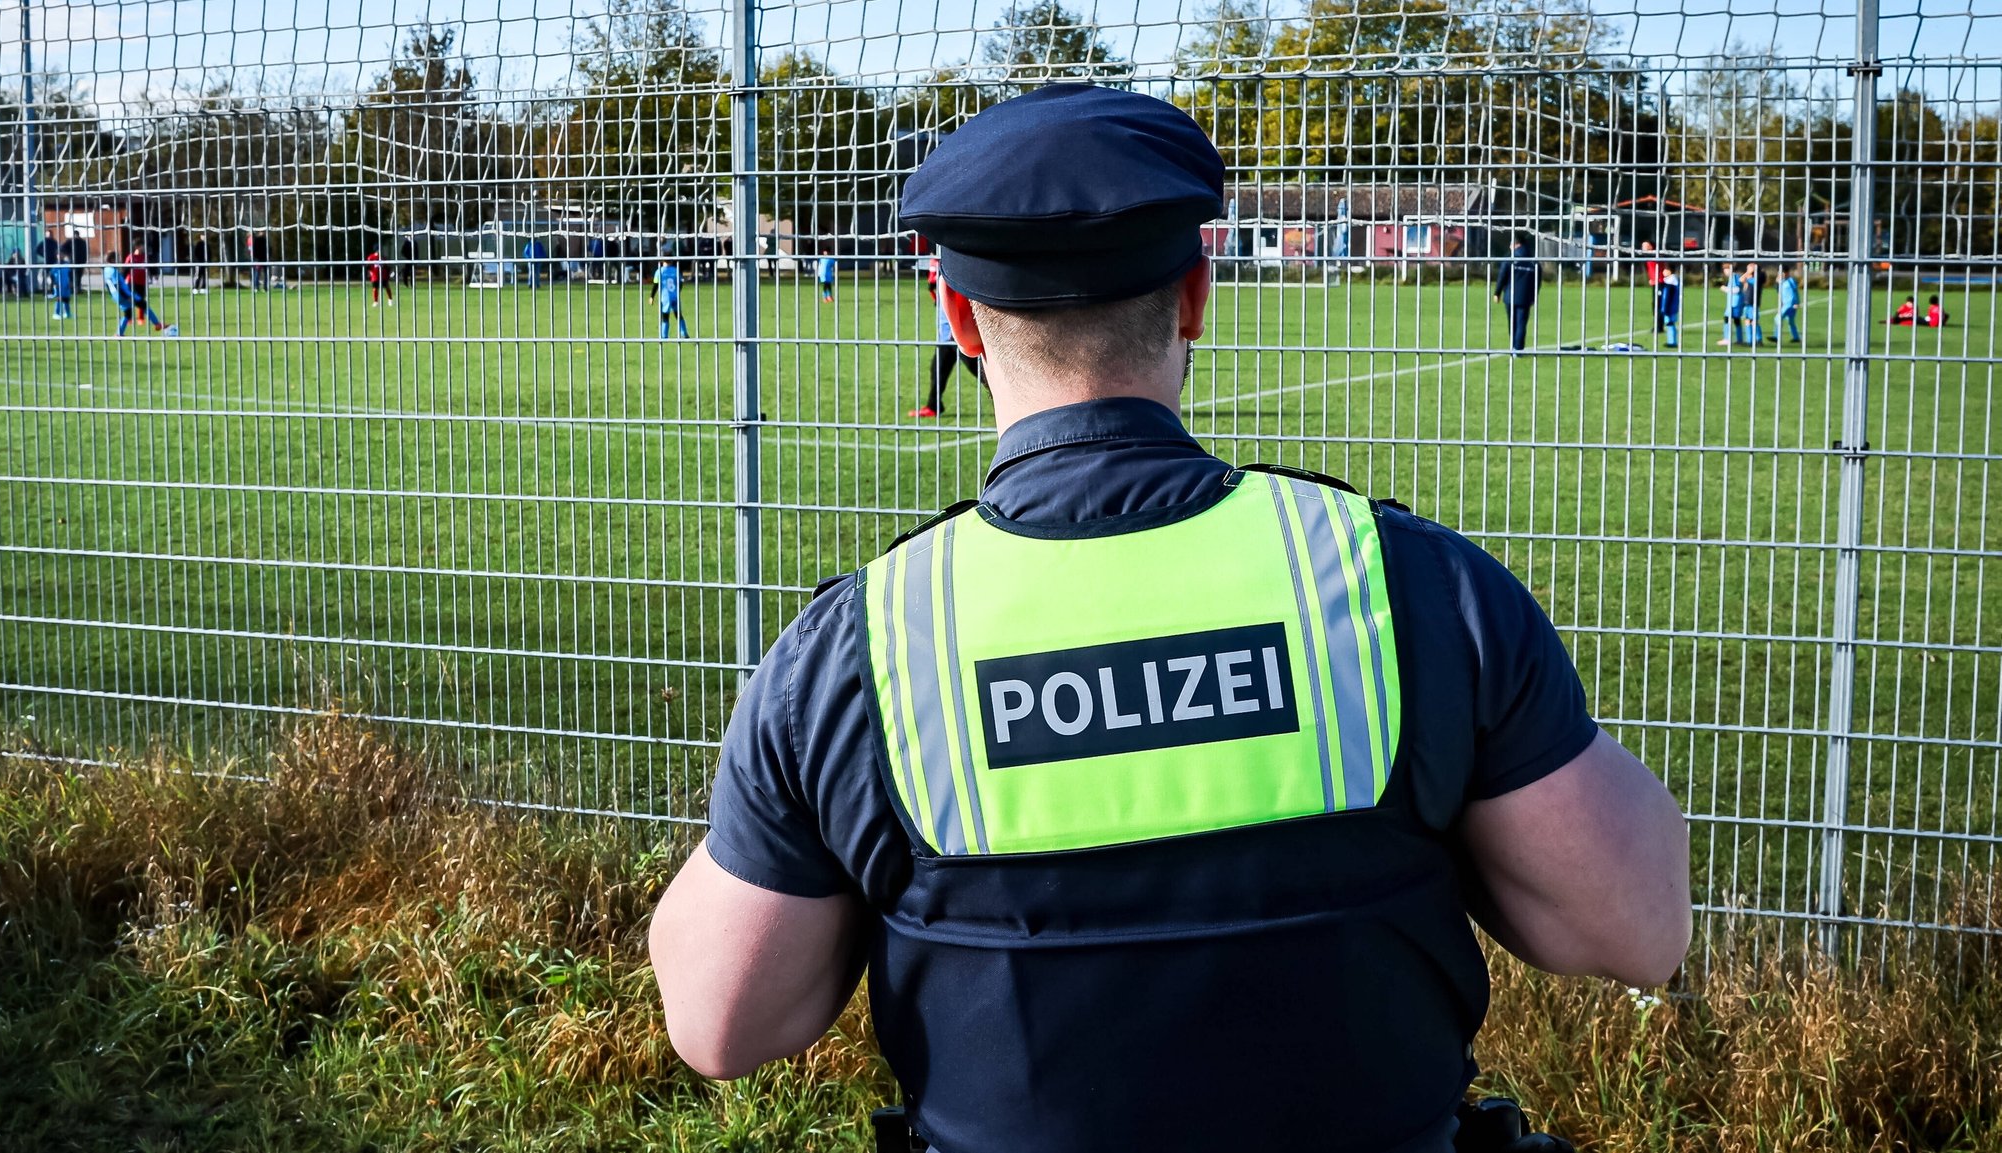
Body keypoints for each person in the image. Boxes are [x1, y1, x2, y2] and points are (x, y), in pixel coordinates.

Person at [647, 83, 1690, 1153]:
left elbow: (722, 1021)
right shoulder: (1405, 585)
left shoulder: (858, 648)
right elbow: (1638, 927)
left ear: (954, 317)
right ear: (1194, 294)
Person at [908, 253, 984, 418]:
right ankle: (933, 406)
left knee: (981, 372)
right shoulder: (940, 265)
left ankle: (1010, 399)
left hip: (959, 334)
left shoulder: (956, 266)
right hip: (946, 335)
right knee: (938, 369)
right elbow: (933, 289)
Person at [1492, 239, 1539, 352]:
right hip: (1525, 298)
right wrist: (1533, 297)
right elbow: (1537, 282)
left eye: (1511, 244)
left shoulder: (1510, 260)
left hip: (1509, 296)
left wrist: (1497, 293)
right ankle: (1518, 348)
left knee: (1512, 322)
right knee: (1521, 323)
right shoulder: (1533, 262)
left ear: (1517, 245)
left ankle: (1514, 346)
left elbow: (1502, 277)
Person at [651, 258, 688, 338]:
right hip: (675, 296)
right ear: (671, 261)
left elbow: (656, 285)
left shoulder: (659, 271)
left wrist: (652, 296)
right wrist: (677, 292)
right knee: (678, 315)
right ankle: (684, 332)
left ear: (662, 261)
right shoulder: (675, 270)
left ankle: (664, 335)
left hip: (665, 297)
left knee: (665, 316)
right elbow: (680, 283)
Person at [1738, 262, 1762, 347]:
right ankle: (1750, 341)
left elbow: (1744, 280)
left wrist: (1751, 271)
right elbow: (1740, 280)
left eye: (1749, 268)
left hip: (1753, 303)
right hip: (1747, 303)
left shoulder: (1757, 279)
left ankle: (1758, 340)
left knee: (1754, 321)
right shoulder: (1749, 278)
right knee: (1748, 321)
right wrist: (1748, 273)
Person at [1656, 267, 1681, 348]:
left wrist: (1664, 308)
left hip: (1670, 307)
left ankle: (1672, 342)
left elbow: (1667, 296)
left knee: (1670, 323)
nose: (1663, 272)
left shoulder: (1670, 281)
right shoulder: (1674, 280)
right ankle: (1671, 341)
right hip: (1672, 306)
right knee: (1670, 323)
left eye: (1665, 270)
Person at [1777, 265, 1801, 343]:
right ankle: (1796, 337)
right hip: (1785, 304)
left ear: (1786, 273)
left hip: (1791, 304)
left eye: (1782, 273)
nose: (1780, 274)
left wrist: (1797, 302)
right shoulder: (1782, 281)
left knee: (1777, 318)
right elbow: (1781, 293)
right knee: (1791, 321)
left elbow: (1795, 292)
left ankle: (1776, 337)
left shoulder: (1791, 281)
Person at [48, 248, 74, 320]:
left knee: (66, 299)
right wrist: (54, 283)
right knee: (59, 299)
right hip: (58, 285)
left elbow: (70, 274)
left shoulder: (67, 264)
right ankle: (56, 313)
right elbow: (51, 275)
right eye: (59, 254)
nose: (60, 256)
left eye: (62, 254)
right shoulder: (55, 266)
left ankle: (67, 313)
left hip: (66, 285)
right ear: (57, 256)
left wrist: (71, 282)